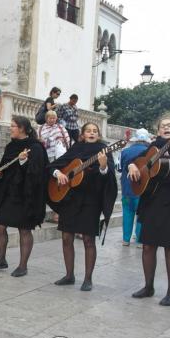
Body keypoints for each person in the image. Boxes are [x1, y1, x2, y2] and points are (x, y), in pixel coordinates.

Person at [128, 116, 170, 306]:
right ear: (157, 131)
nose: (166, 127)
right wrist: (132, 164)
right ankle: (148, 287)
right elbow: (139, 160)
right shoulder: (154, 145)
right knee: (148, 246)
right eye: (163, 126)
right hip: (152, 202)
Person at [48, 122, 117, 291]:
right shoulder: (76, 148)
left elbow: (109, 177)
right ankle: (69, 275)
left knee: (88, 239)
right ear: (83, 134)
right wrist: (59, 174)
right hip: (71, 199)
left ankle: (88, 279)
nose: (92, 133)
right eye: (88, 131)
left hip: (91, 200)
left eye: (95, 131)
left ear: (99, 134)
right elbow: (52, 166)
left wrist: (102, 167)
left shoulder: (104, 150)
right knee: (66, 237)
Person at [0, 116, 48, 277]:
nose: (10, 128)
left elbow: (37, 173)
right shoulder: (11, 147)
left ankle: (23, 266)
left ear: (21, 128)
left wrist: (23, 162)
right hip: (8, 193)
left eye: (13, 126)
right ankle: (1, 260)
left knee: (24, 230)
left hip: (26, 196)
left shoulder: (35, 147)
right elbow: (6, 170)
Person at [118, 128, 151, 247]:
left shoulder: (125, 151)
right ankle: (139, 241)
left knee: (127, 213)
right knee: (141, 215)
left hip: (127, 188)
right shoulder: (150, 152)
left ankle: (126, 239)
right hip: (143, 189)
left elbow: (121, 168)